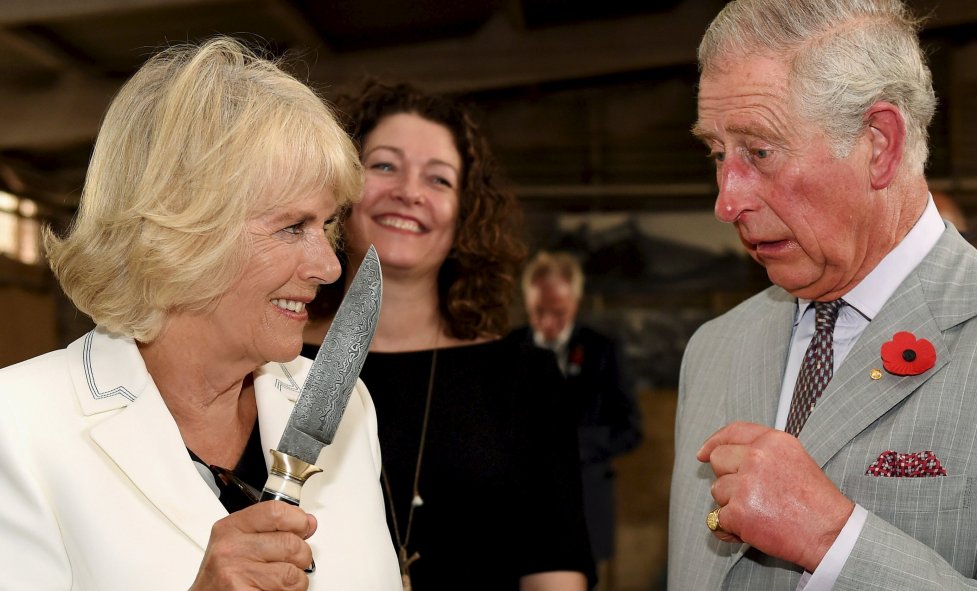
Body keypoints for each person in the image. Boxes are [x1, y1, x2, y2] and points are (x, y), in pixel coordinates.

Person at [0, 38, 400, 590]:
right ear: (184, 232)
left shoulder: (341, 401)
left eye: (326, 226)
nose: (330, 268)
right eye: (292, 226)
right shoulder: (17, 426)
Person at [669, 0, 977, 589]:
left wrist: (831, 539)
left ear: (880, 143)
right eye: (718, 154)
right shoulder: (713, 349)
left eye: (759, 152)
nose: (726, 202)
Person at [303, 80, 596, 590]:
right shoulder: (274, 362)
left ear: (465, 217)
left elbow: (555, 566)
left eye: (438, 180)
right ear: (340, 190)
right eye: (385, 166)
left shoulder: (522, 379)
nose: (409, 192)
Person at [506, 250, 642, 589]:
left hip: (585, 500)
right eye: (540, 311)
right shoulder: (507, 349)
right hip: (514, 505)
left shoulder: (602, 350)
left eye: (559, 312)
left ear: (576, 303)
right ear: (526, 302)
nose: (549, 322)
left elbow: (630, 429)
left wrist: (568, 445)